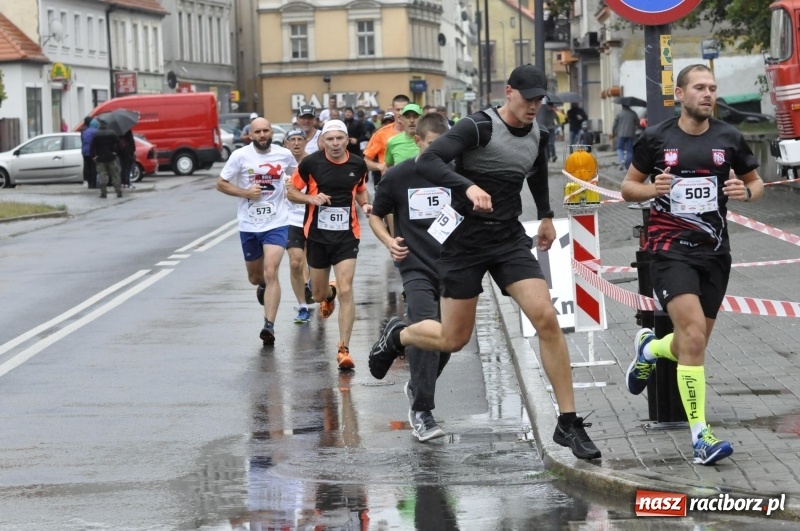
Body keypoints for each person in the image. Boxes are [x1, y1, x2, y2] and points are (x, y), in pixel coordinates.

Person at [368, 64, 601, 460]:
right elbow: (428, 162)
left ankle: (567, 421)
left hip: (507, 239)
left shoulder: (539, 133)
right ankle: (399, 336)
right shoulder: (478, 127)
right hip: (464, 242)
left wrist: (546, 215)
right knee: (453, 339)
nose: (533, 106)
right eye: (527, 98)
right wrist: (469, 186)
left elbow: (536, 171)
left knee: (546, 317)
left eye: (539, 100)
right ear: (508, 92)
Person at [621, 64, 764, 466]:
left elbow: (756, 183)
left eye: (712, 88)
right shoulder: (656, 138)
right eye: (699, 87)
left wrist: (745, 191)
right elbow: (628, 188)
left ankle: (650, 349)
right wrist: (651, 188)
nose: (708, 94)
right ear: (680, 94)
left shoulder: (729, 137)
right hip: (669, 250)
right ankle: (701, 436)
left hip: (714, 253)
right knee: (694, 338)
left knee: (691, 343)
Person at [369, 113, 452, 441]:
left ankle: (398, 341)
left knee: (449, 341)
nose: (439, 152)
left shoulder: (457, 173)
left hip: (454, 267)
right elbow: (376, 216)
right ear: (417, 141)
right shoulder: (399, 175)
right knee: (427, 331)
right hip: (415, 266)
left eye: (444, 145)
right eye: (432, 145)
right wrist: (389, 242)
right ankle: (422, 411)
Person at [287, 120, 371, 370]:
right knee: (317, 294)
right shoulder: (310, 164)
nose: (335, 144)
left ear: (347, 140)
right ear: (322, 141)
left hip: (347, 235)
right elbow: (291, 192)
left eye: (339, 138)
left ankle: (344, 349)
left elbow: (360, 189)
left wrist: (365, 204)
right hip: (317, 237)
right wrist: (310, 198)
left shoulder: (358, 164)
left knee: (347, 289)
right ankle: (328, 294)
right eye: (330, 139)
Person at [216, 117, 296, 346]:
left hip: (277, 222)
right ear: (250, 135)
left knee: (271, 271)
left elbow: (299, 175)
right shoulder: (240, 156)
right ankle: (261, 285)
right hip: (249, 224)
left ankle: (269, 326)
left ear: (272, 133)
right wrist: (245, 193)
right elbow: (221, 183)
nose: (262, 135)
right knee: (256, 277)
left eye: (266, 131)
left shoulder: (284, 154)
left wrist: (293, 185)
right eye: (257, 132)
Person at [283, 128, 314, 324]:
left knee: (314, 261)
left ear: (305, 142)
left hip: (313, 217)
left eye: (300, 139)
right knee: (296, 262)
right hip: (290, 219)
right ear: (286, 143)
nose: (296, 143)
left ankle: (316, 288)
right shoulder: (280, 163)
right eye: (292, 139)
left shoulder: (314, 162)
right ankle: (303, 306)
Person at [363, 94, 410, 187]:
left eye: (404, 109)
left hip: (414, 184)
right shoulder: (381, 133)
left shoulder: (418, 132)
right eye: (397, 110)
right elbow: (365, 162)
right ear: (393, 110)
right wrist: (380, 166)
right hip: (391, 184)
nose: (400, 113)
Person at [90, 119, 122, 198]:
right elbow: (119, 144)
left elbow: (92, 146)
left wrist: (94, 156)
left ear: (100, 125)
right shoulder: (112, 133)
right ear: (106, 125)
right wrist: (115, 152)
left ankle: (103, 193)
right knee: (115, 175)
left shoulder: (96, 134)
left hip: (100, 158)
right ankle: (118, 191)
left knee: (102, 176)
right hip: (111, 157)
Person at [384, 103, 422, 168]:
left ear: (422, 119)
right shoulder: (392, 142)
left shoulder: (430, 141)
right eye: (407, 117)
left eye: (415, 116)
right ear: (401, 119)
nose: (412, 120)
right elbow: (389, 166)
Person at [611, 103, 639, 170]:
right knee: (629, 150)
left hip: (620, 134)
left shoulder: (619, 113)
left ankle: (622, 160)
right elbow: (638, 123)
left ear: (622, 106)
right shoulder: (633, 113)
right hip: (630, 134)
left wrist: (613, 132)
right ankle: (627, 166)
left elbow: (614, 124)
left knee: (619, 148)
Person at [80, 116, 99, 189]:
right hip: (92, 152)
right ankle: (93, 184)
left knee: (87, 167)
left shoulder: (85, 131)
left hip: (85, 151)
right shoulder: (95, 131)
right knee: (93, 168)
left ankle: (89, 183)